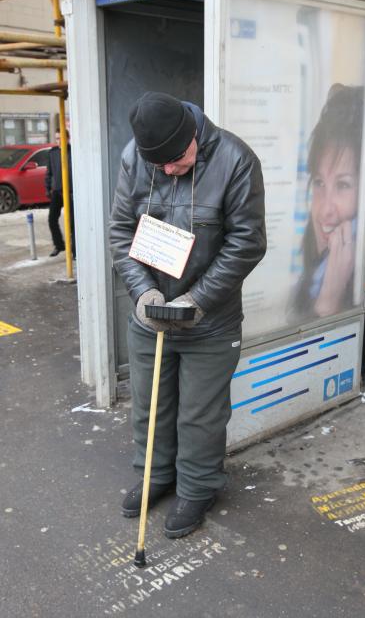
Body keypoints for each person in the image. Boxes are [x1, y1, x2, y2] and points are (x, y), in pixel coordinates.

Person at [109, 91, 266, 538]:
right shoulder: (135, 159)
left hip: (209, 319)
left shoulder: (236, 160)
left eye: (177, 161)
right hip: (151, 312)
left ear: (193, 134)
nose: (170, 171)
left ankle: (198, 487)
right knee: (150, 404)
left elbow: (246, 243)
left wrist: (196, 301)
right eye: (159, 166)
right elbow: (121, 230)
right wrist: (143, 292)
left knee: (201, 413)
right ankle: (156, 475)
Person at [291, 85, 363, 321]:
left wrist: (329, 299)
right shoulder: (308, 277)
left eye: (342, 185)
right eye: (320, 182)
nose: (325, 210)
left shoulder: (356, 290)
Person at [45, 128, 75, 258]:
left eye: (61, 138)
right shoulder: (53, 153)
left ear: (67, 138)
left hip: (71, 192)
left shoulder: (73, 151)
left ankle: (75, 251)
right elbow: (49, 173)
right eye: (57, 138)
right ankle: (59, 245)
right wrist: (48, 189)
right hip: (57, 192)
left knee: (72, 223)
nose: (58, 141)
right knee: (52, 219)